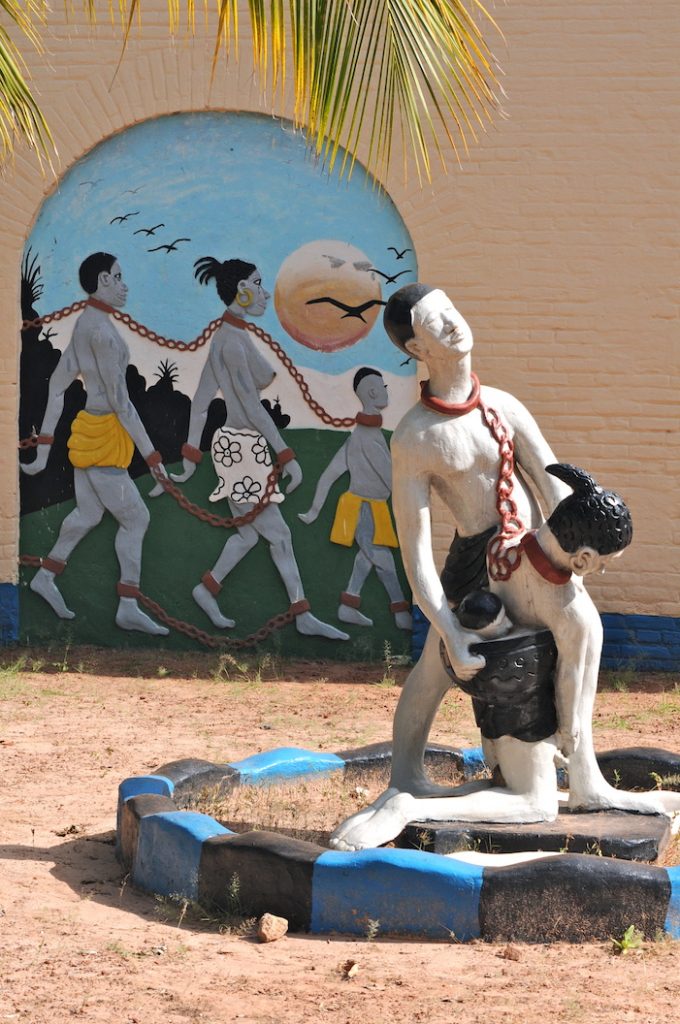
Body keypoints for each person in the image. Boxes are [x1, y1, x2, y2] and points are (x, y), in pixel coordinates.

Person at [330, 284, 679, 851]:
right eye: (432, 323)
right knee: (441, 666)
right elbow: (414, 546)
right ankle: (408, 781)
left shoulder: (505, 406)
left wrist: (583, 538)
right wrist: (446, 627)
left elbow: (554, 487)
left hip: (530, 553)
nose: (451, 325)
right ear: (417, 350)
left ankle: (582, 772)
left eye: (450, 311)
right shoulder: (416, 436)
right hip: (478, 564)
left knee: (582, 628)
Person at [173, 256, 347, 640]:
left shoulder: (230, 336)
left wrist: (191, 453)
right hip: (242, 450)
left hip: (240, 448)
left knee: (250, 535)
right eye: (259, 282)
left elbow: (202, 399)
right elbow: (251, 405)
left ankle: (207, 588)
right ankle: (302, 612)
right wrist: (286, 454)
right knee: (279, 536)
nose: (266, 292)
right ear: (242, 290)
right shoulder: (231, 342)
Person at [21, 252, 169, 635]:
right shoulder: (100, 332)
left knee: (87, 515)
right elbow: (121, 401)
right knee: (137, 519)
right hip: (103, 434)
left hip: (90, 429)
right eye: (119, 277)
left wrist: (44, 450)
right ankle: (128, 605)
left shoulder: (86, 325)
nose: (124, 285)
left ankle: (46, 577)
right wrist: (152, 455)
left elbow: (57, 386)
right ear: (103, 280)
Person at [298, 367, 411, 630]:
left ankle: (348, 605)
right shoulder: (368, 438)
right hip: (363, 509)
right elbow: (390, 478)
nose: (385, 391)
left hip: (369, 507)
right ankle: (400, 611)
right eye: (383, 387)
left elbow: (329, 475)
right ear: (372, 392)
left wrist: (315, 509)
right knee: (382, 559)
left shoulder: (359, 436)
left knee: (366, 556)